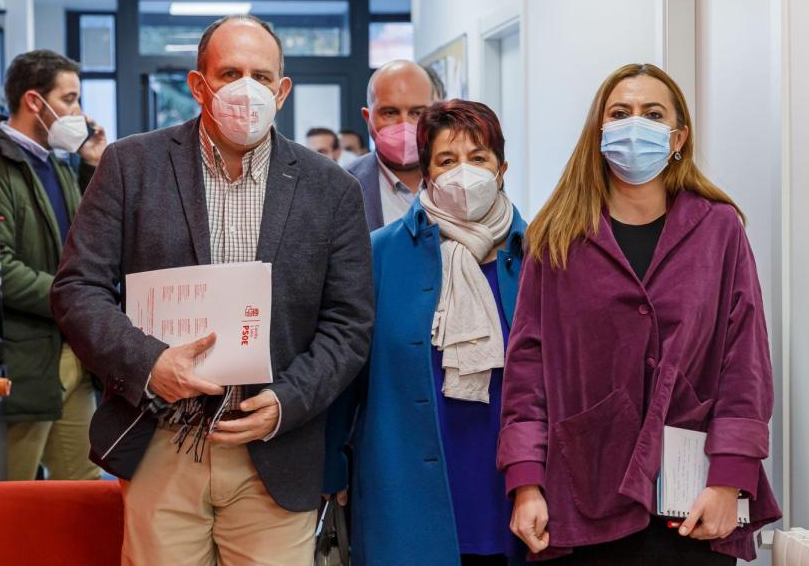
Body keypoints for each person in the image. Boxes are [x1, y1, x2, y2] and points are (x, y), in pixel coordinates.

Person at [50, 14, 374, 566]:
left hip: (276, 446)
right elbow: (78, 289)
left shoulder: (333, 190)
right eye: (230, 73)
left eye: (262, 76)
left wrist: (286, 402)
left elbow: (349, 323)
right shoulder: (131, 165)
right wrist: (150, 364)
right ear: (199, 85)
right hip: (159, 439)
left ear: (282, 89)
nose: (248, 89)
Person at [498, 63, 782, 565]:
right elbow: (528, 371)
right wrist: (525, 482)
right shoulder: (555, 236)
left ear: (678, 137)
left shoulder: (719, 230)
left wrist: (729, 479)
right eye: (620, 113)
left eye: (652, 114)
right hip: (583, 489)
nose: (635, 124)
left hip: (690, 499)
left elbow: (746, 364)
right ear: (599, 132)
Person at [326, 100, 528, 565]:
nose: (464, 173)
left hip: (512, 491)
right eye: (446, 160)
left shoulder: (539, 257)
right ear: (427, 172)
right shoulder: (378, 254)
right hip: (404, 492)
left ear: (502, 168)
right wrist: (332, 472)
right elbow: (347, 379)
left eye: (478, 159)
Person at [0, 49, 106, 482]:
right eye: (69, 100)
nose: (79, 113)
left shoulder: (58, 164)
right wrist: (71, 298)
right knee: (14, 495)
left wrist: (91, 167)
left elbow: (85, 239)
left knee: (83, 492)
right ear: (34, 101)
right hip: (23, 359)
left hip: (70, 355)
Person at [347, 59, 436, 231]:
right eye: (390, 113)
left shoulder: (457, 179)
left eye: (417, 113)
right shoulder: (343, 184)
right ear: (368, 118)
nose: (404, 124)